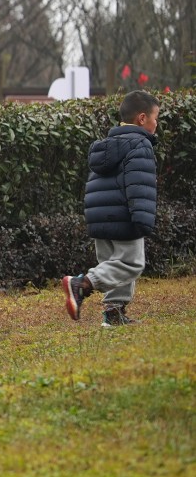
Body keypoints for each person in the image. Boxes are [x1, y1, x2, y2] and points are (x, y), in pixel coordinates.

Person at [64, 90, 159, 326]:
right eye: (155, 118)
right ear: (142, 118)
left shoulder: (107, 146)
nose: (156, 124)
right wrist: (141, 218)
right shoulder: (140, 144)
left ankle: (114, 314)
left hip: (101, 215)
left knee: (113, 264)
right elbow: (138, 184)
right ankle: (82, 284)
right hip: (123, 214)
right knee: (130, 263)